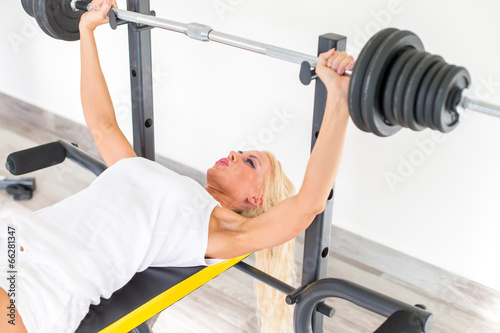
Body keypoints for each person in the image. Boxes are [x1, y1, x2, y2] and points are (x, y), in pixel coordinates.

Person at [0, 0, 354, 332]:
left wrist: (338, 100)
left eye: (249, 162)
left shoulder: (221, 228)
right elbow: (103, 125)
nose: (233, 153)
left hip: (48, 282)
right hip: (18, 236)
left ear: (256, 201)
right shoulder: (144, 171)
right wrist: (86, 31)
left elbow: (308, 204)